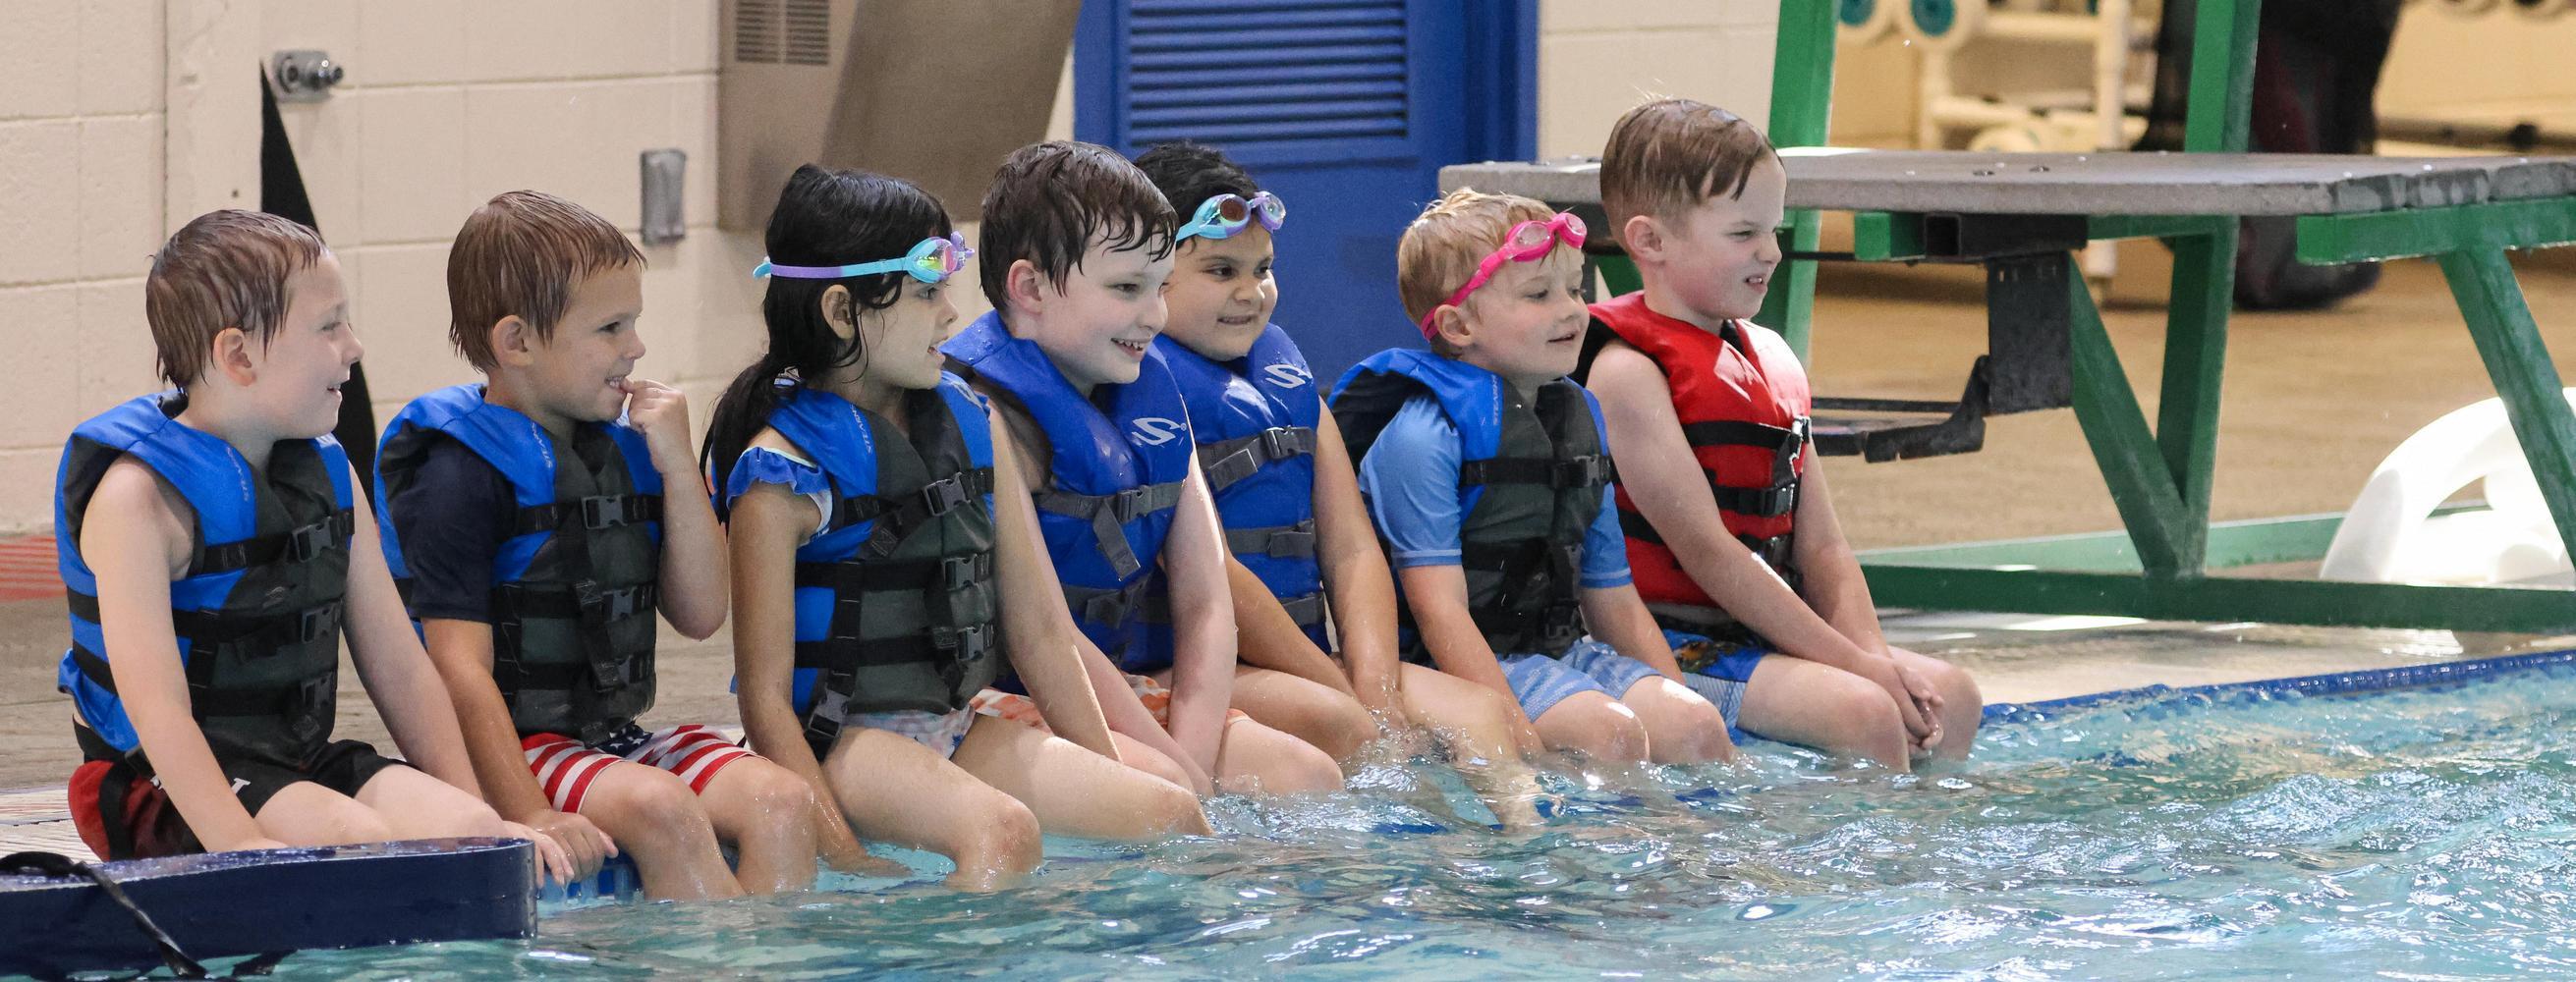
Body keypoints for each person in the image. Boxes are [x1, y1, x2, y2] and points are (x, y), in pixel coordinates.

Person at [707, 165, 1208, 891]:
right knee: (1001, 833)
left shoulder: (971, 421)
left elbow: (1040, 633)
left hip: (953, 725)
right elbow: (764, 699)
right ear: (843, 310)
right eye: (926, 293)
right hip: (844, 739)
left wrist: (1107, 771)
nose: (950, 315)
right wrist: (839, 850)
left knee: (1171, 812)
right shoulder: (782, 473)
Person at [58, 210, 548, 873]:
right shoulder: (137, 502)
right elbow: (156, 707)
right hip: (159, 781)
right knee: (352, 841)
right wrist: (239, 844)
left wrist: (486, 822)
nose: (354, 346)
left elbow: (402, 670)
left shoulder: (327, 472)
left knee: (469, 830)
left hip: (292, 759)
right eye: (328, 326)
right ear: (238, 355)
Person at [375, 191, 820, 900]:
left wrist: (678, 467)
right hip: (515, 752)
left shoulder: (628, 452)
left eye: (633, 324)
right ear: (516, 342)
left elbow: (702, 614)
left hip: (612, 736)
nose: (636, 348)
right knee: (664, 809)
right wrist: (528, 811)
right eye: (611, 328)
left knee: (783, 800)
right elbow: (459, 670)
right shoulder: (458, 477)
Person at [1134, 142, 1550, 826]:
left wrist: (1377, 687)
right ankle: (1423, 877)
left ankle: (1519, 865)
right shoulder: (1145, 389)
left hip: (1304, 657)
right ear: (1152, 275)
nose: (1251, 292)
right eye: (1221, 270)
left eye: (1263, 269)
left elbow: (1352, 547)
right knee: (1341, 723)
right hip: (1190, 669)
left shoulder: (1285, 375)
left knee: (1480, 713)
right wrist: (1344, 693)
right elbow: (1218, 576)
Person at [1574, 98, 1982, 769]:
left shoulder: (1768, 357)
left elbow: (1821, 545)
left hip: (1760, 635)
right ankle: (1840, 868)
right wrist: (1860, 673)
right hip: (1670, 644)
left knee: (1951, 694)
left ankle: (1915, 860)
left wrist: (1875, 659)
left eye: (1775, 228)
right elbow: (1708, 553)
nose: (1771, 251)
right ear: (1651, 241)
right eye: (1743, 235)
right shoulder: (1627, 374)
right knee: (1864, 712)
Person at [942, 141, 1343, 795]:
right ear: (1031, 287)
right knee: (1161, 793)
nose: (1153, 316)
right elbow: (1046, 633)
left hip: (1107, 686)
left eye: (1158, 288)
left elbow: (1207, 597)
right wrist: (1179, 769)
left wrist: (1192, 747)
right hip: (983, 701)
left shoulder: (1148, 387)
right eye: (1127, 288)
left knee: (1309, 776)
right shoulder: (988, 414)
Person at [1330, 191, 1735, 767]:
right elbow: (1438, 613)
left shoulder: (1578, 414)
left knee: (1692, 724)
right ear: (1458, 324)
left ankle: (1691, 853)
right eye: (1539, 294)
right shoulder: (1422, 438)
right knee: (1608, 733)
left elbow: (1612, 594)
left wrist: (1687, 705)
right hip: (1444, 665)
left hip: (1555, 651)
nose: (1573, 310)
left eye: (1575, 288)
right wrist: (1512, 737)